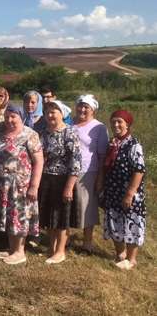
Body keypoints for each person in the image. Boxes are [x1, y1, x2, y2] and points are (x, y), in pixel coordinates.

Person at [0, 104, 43, 265]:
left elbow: (39, 161)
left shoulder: (29, 135)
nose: (10, 120)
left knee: (19, 217)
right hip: (1, 185)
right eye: (7, 117)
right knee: (10, 218)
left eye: (13, 117)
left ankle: (20, 252)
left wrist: (34, 185)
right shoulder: (1, 133)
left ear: (21, 117)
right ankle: (12, 248)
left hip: (20, 185)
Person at [38, 100, 82, 264]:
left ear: (61, 114)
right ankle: (51, 247)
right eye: (47, 112)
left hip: (63, 180)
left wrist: (69, 187)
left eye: (53, 112)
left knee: (62, 217)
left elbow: (76, 162)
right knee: (50, 216)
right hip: (46, 178)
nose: (50, 115)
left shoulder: (69, 133)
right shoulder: (44, 132)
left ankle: (60, 251)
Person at [102, 110, 146, 270]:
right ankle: (120, 254)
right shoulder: (113, 143)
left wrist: (130, 193)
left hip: (129, 192)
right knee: (114, 221)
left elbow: (139, 170)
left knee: (131, 222)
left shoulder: (134, 145)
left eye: (119, 122)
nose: (116, 125)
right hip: (113, 190)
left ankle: (132, 258)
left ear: (127, 124)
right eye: (113, 122)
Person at [72, 94, 109, 253]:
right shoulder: (69, 123)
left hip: (88, 171)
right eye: (80, 106)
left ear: (93, 110)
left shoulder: (99, 128)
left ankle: (87, 241)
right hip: (68, 170)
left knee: (87, 206)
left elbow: (102, 155)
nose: (82, 109)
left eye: (86, 107)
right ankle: (65, 236)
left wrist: (100, 178)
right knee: (68, 205)